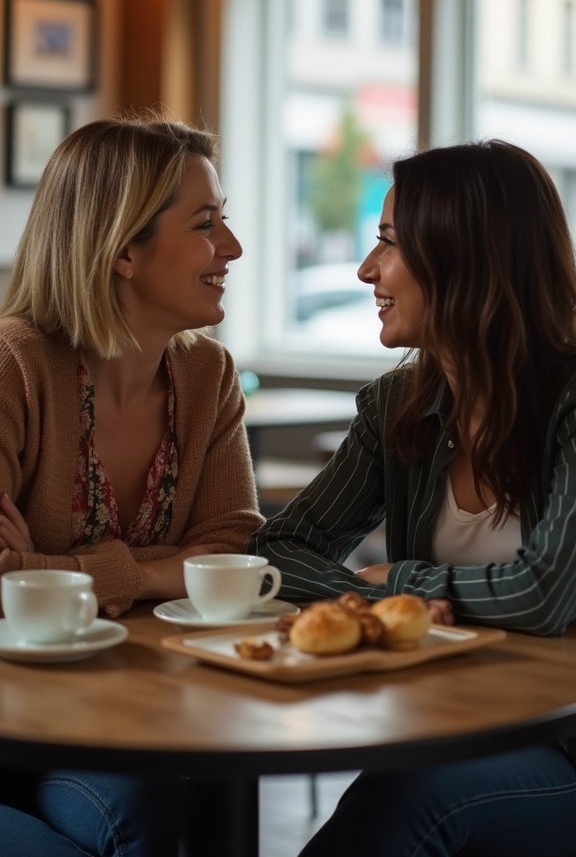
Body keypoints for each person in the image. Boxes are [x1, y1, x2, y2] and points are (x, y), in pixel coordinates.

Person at [250, 139, 576, 856]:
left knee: (410, 803)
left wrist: (398, 582)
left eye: (388, 244)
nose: (367, 270)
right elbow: (279, 551)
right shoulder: (399, 404)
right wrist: (377, 608)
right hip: (452, 722)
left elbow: (547, 595)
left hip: (561, 747)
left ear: (464, 257)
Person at [0, 112, 263, 857]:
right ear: (122, 252)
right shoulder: (13, 365)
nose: (233, 248)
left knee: (146, 816)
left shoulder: (208, 376)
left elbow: (232, 555)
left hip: (107, 723)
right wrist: (153, 570)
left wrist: (40, 571)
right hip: (11, 720)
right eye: (206, 225)